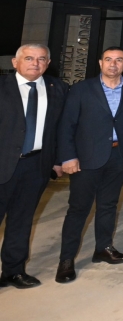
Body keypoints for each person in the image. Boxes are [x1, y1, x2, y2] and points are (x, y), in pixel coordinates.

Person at [55, 47, 123, 284]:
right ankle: (66, 260)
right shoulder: (82, 89)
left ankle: (103, 248)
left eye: (118, 60)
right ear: (100, 62)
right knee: (78, 209)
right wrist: (68, 157)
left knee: (108, 205)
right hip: (86, 158)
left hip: (118, 156)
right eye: (108, 59)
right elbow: (67, 125)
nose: (113, 64)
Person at [0, 44, 68, 289]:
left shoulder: (58, 88)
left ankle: (13, 271)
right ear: (15, 62)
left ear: (48, 63)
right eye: (29, 58)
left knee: (21, 220)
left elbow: (61, 128)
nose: (35, 63)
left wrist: (58, 160)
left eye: (41, 59)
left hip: (36, 165)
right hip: (2, 163)